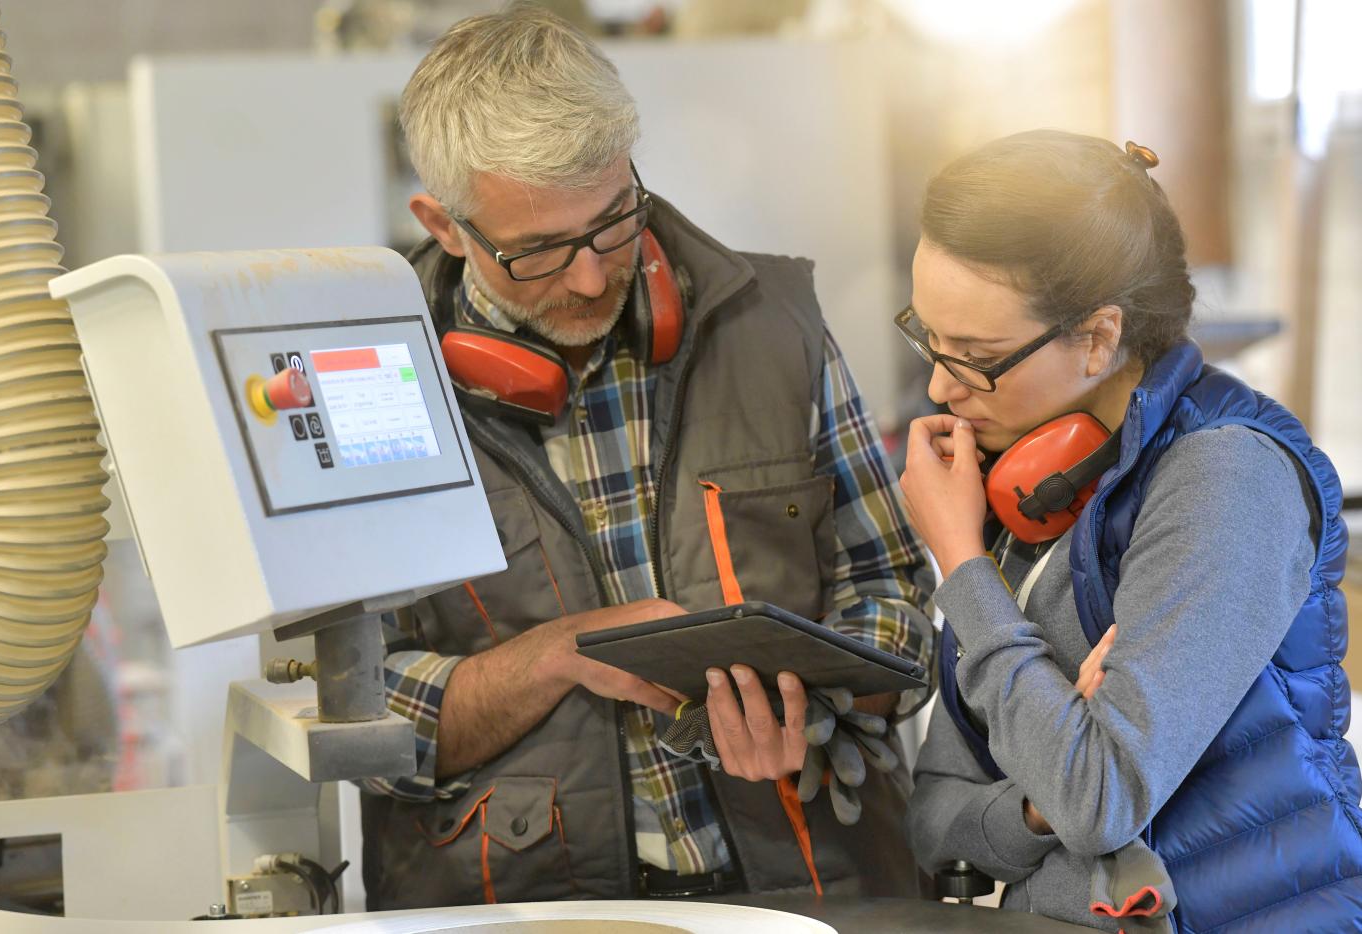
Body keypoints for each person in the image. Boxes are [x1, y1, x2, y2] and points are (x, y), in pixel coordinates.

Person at [358, 4, 934, 907]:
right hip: (530, 910)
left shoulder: (774, 327)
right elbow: (358, 710)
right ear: (444, 224)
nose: (590, 277)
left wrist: (815, 710)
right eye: (539, 252)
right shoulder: (365, 386)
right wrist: (553, 656)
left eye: (612, 222)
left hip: (816, 889)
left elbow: (892, 588)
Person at [898, 129, 1362, 931]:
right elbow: (936, 818)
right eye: (930, 339)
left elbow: (1099, 802)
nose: (941, 384)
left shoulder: (1228, 481)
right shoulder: (1034, 484)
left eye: (975, 354)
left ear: (1099, 337)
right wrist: (1040, 803)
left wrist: (964, 566)